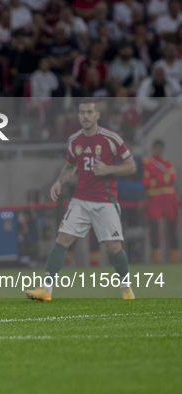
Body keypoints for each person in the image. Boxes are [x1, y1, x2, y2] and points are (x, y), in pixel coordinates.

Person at [25, 98, 137, 301]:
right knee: (62, 240)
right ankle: (46, 289)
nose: (85, 116)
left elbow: (131, 165)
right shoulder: (74, 140)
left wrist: (109, 169)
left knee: (113, 247)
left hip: (105, 201)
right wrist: (59, 182)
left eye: (89, 112)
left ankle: (126, 289)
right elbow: (70, 166)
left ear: (97, 115)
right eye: (82, 112)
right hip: (80, 200)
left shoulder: (111, 138)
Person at [142, 140, 179, 264]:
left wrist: (156, 180)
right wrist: (164, 178)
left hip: (169, 199)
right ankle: (156, 259)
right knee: (154, 230)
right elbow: (146, 182)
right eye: (156, 147)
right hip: (155, 199)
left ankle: (175, 259)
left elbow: (172, 178)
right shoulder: (147, 163)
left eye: (160, 148)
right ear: (153, 148)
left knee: (173, 229)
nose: (158, 150)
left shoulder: (167, 163)